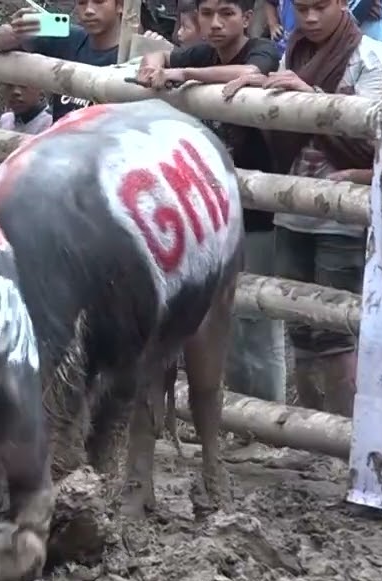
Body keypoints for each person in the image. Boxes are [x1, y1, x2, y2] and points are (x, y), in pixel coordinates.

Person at [223, 0, 382, 417]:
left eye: (320, 7)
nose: (311, 18)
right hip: (292, 200)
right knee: (299, 324)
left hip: (343, 211)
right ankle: (306, 438)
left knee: (336, 330)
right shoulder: (292, 50)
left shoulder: (372, 56)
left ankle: (341, 439)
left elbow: (375, 135)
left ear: (340, 4)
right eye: (303, 8)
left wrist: (310, 97)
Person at [137, 0, 287, 404]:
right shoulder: (203, 52)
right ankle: (237, 416)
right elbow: (160, 54)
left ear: (245, 17)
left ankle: (268, 417)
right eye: (207, 15)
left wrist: (180, 73)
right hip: (211, 212)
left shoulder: (261, 49)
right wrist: (151, 65)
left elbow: (250, 73)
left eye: (227, 14)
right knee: (223, 316)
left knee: (259, 318)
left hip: (257, 210)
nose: (216, 24)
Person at [0, 0, 123, 121]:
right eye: (82, 2)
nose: (88, 11)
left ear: (120, 5)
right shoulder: (66, 34)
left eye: (99, 1)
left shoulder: (132, 51)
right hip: (59, 144)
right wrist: (14, 33)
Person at [0, 83, 52, 180]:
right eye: (9, 85)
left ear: (41, 89)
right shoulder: (5, 120)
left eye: (23, 85)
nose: (15, 92)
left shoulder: (52, 122)